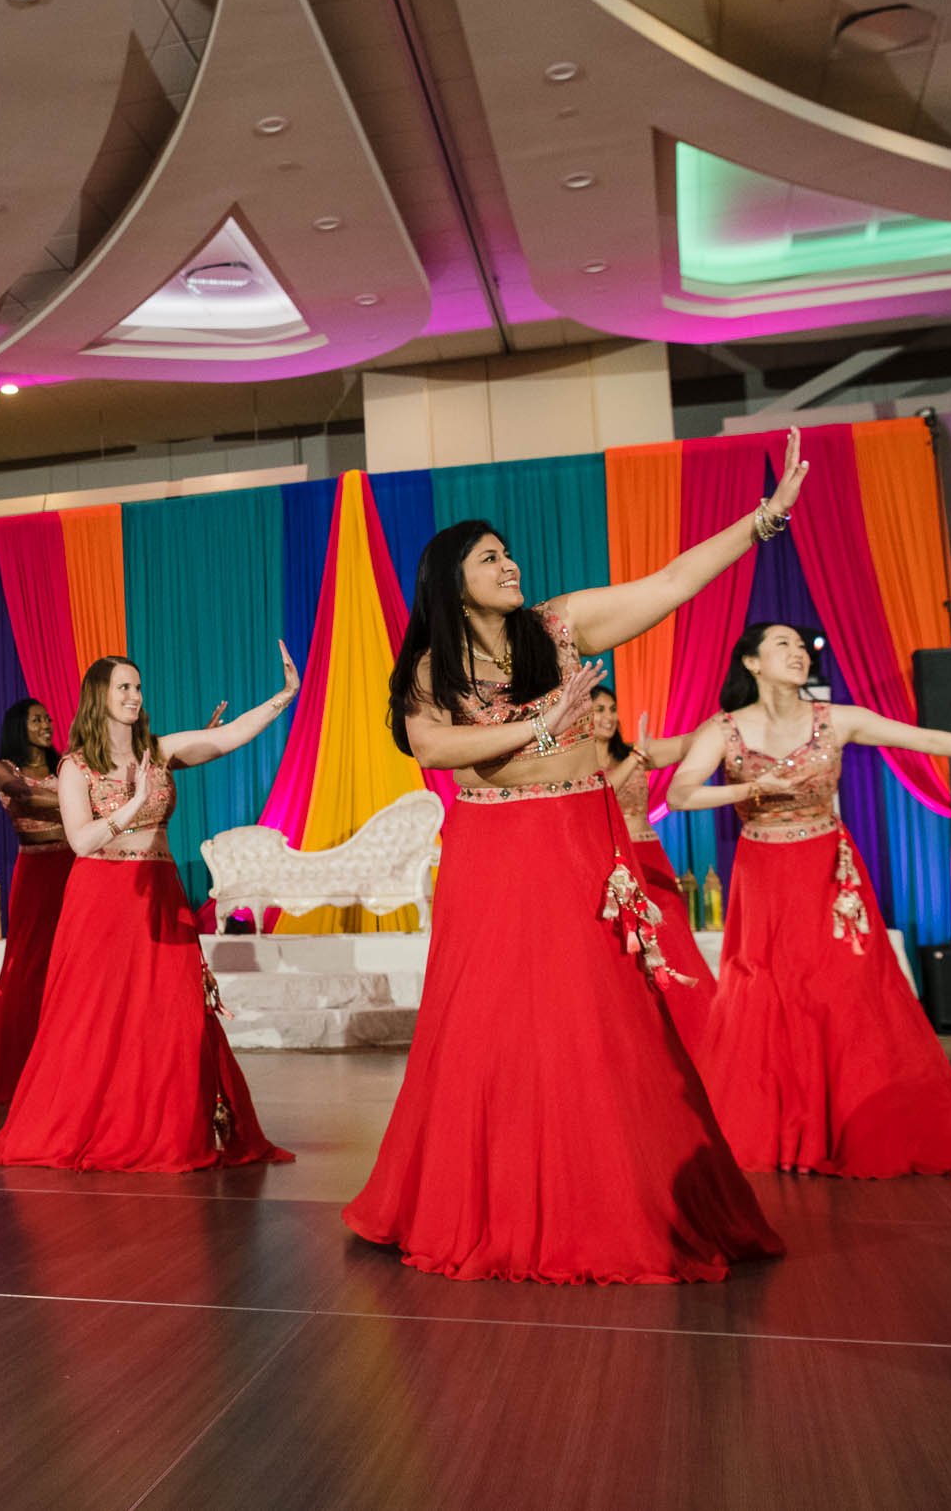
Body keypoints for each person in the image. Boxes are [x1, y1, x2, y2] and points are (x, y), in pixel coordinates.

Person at [344, 433, 813, 1284]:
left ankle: (614, 1196)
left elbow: (669, 584)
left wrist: (760, 523)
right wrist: (539, 724)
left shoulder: (559, 625)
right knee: (488, 1028)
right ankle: (487, 1199)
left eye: (510, 553)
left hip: (576, 841)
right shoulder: (430, 664)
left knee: (597, 1020)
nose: (511, 563)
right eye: (492, 557)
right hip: (493, 850)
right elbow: (432, 746)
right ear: (454, 578)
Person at [665, 623, 951, 1178]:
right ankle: (783, 1132)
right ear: (751, 663)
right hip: (764, 875)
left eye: (802, 646)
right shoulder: (726, 729)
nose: (798, 653)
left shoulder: (836, 720)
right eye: (782, 645)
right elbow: (681, 792)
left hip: (827, 871)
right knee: (771, 995)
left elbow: (925, 739)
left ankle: (853, 1128)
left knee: (843, 994)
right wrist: (753, 790)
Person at [0, 653, 297, 1172]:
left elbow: (232, 734)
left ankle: (171, 1127)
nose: (134, 696)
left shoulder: (158, 751)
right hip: (102, 898)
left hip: (160, 892)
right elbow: (79, 841)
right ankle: (95, 1122)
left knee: (173, 1014)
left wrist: (284, 696)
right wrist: (132, 803)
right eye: (123, 687)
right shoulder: (75, 765)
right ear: (99, 695)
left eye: (138, 687)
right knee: (94, 1018)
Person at [592, 687, 719, 1056]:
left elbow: (692, 741)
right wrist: (636, 758)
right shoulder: (577, 763)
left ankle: (704, 1036)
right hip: (610, 866)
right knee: (624, 956)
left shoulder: (638, 750)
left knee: (674, 941)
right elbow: (600, 795)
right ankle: (648, 1045)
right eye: (598, 709)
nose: (609, 716)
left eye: (613, 708)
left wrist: (728, 716)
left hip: (649, 856)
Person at [0, 697, 71, 1104]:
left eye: (48, 717)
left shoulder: (67, 766)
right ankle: (16, 1071)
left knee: (72, 963)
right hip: (37, 874)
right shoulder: (2, 768)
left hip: (75, 868)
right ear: (18, 727)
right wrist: (80, 804)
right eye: (37, 719)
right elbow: (21, 796)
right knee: (27, 969)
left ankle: (68, 1066)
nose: (47, 724)